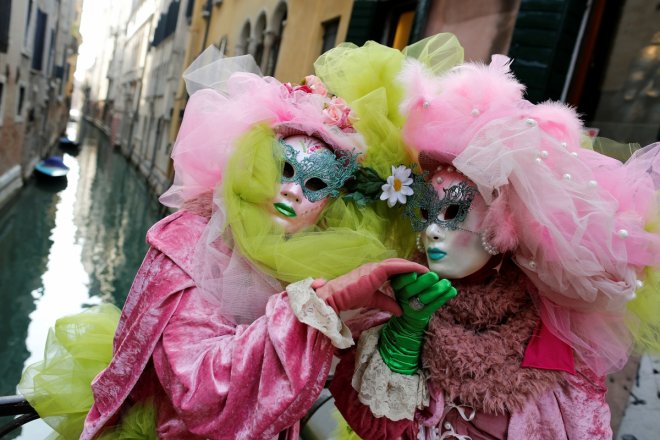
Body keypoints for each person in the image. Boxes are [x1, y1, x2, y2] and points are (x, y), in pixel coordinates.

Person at [19, 48, 432, 439]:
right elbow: (197, 390)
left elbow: (370, 418)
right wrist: (320, 310)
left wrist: (403, 335)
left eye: (315, 184)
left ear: (328, 205)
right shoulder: (187, 244)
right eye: (282, 169)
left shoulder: (321, 260)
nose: (292, 192)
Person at [328, 55, 660, 439]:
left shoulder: (552, 337)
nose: (433, 231)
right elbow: (371, 425)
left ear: (505, 223)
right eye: (427, 211)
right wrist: (403, 335)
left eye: (454, 211)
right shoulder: (395, 299)